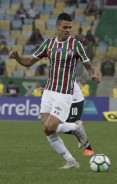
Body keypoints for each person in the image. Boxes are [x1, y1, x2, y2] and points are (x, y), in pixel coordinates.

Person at [9, 13, 100, 169]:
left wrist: (93, 73)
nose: (68, 30)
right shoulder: (48, 44)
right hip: (48, 92)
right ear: (57, 27)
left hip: (64, 93)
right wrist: (17, 57)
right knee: (46, 129)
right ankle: (71, 161)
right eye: (65, 27)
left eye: (70, 27)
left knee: (50, 126)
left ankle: (76, 127)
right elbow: (29, 62)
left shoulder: (75, 44)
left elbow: (87, 63)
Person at [65, 80, 94, 156]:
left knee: (72, 123)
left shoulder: (67, 71)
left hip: (75, 99)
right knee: (55, 126)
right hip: (65, 98)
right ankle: (78, 133)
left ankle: (88, 149)